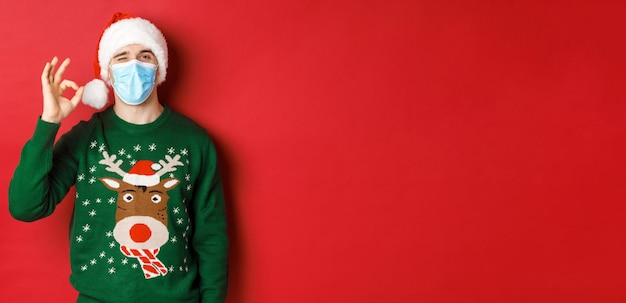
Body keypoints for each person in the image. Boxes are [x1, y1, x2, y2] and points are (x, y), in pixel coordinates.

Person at [8, 12, 228, 303]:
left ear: (159, 66)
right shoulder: (85, 138)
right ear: (107, 72)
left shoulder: (193, 141)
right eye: (122, 56)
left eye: (145, 55)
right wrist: (49, 122)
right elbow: (26, 207)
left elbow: (211, 237)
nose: (134, 65)